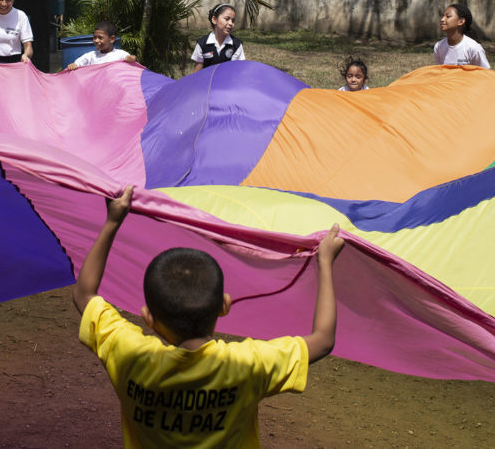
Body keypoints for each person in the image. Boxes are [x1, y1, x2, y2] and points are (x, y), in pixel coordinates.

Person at [74, 186, 345, 448]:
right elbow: (322, 340)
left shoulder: (129, 355)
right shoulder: (247, 365)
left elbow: (85, 295)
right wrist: (324, 263)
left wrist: (112, 221)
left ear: (148, 318)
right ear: (224, 305)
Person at [433, 3, 490, 68]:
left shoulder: (474, 48)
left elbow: (485, 73)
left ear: (461, 21)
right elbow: (440, 72)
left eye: (448, 16)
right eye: (443, 16)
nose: (442, 19)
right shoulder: (439, 46)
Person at [65, 20, 137, 70]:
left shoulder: (120, 54)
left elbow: (130, 59)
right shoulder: (90, 56)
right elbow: (78, 63)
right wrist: (73, 65)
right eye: (94, 37)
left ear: (112, 39)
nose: (96, 40)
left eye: (100, 38)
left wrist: (131, 58)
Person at [192, 3, 245, 72]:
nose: (230, 23)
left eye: (233, 20)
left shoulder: (236, 44)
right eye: (227, 19)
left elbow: (238, 70)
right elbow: (197, 72)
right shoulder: (202, 44)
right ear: (214, 19)